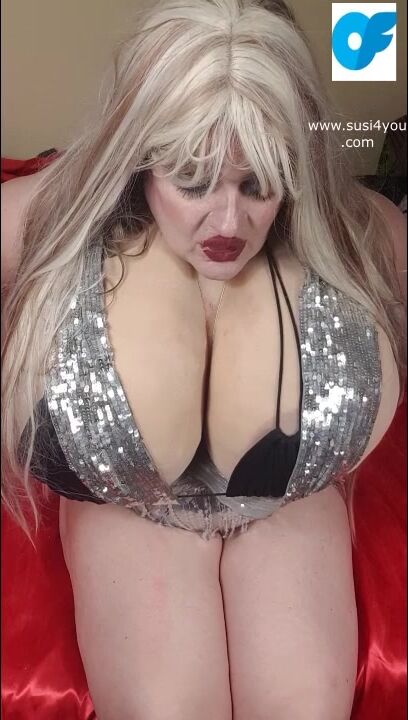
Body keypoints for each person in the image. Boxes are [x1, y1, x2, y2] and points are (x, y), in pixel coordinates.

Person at [1, 0, 406, 718]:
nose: (228, 222)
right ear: (139, 155)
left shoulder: (359, 231)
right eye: (191, 180)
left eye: (258, 183)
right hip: (131, 511)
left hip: (287, 504)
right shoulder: (46, 215)